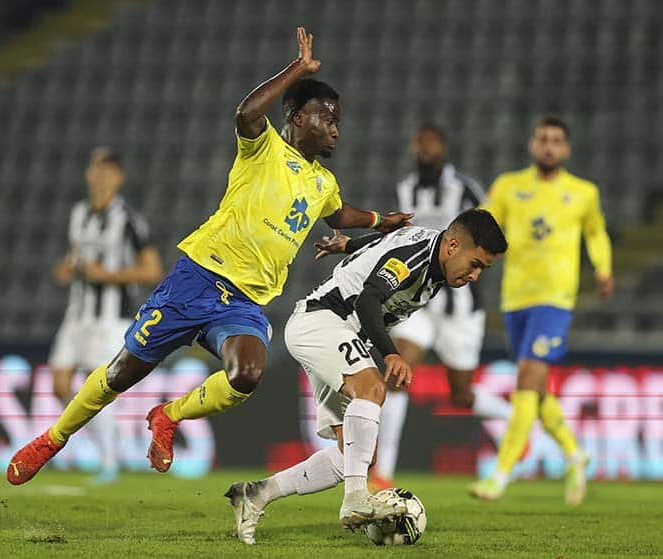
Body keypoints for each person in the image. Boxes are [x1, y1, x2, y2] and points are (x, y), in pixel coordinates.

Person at [5, 27, 412, 486]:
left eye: (339, 120)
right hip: (197, 278)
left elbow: (340, 215)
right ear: (297, 118)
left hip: (242, 303)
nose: (336, 127)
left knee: (248, 373)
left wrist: (381, 219)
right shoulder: (264, 149)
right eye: (326, 117)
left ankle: (169, 416)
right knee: (121, 373)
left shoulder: (323, 184)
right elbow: (246, 112)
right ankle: (53, 438)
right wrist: (297, 70)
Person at [226, 208, 507, 544]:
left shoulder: (431, 254)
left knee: (356, 455)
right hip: (324, 321)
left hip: (335, 331)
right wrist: (390, 352)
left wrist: (347, 246)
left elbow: (387, 241)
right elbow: (369, 300)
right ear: (452, 246)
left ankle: (256, 494)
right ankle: (356, 500)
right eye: (475, 264)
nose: (475, 276)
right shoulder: (415, 259)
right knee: (372, 387)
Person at [469, 116, 614, 505]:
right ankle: (575, 452)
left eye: (557, 141)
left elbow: (596, 232)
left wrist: (603, 269)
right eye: (543, 139)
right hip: (516, 300)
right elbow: (483, 224)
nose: (549, 146)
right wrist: (471, 259)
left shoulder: (583, 192)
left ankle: (500, 474)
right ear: (533, 145)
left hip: (556, 300)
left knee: (528, 378)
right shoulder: (509, 186)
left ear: (565, 149)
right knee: (535, 387)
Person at [369, 124, 512, 489]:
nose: (425, 150)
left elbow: (490, 234)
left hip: (461, 307)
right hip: (419, 299)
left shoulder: (466, 189)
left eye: (431, 144)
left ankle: (514, 417)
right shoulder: (406, 189)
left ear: (444, 148)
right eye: (420, 144)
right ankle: (382, 472)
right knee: (398, 370)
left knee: (461, 395)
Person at [48, 146, 163, 482]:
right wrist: (67, 268)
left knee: (97, 387)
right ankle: (100, 444)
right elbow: (75, 256)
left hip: (112, 318)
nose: (102, 175)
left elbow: (152, 269)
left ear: (119, 177)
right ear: (89, 173)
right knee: (59, 384)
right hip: (77, 314)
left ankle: (110, 460)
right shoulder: (78, 213)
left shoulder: (128, 219)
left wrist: (108, 276)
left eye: (109, 170)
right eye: (98, 168)